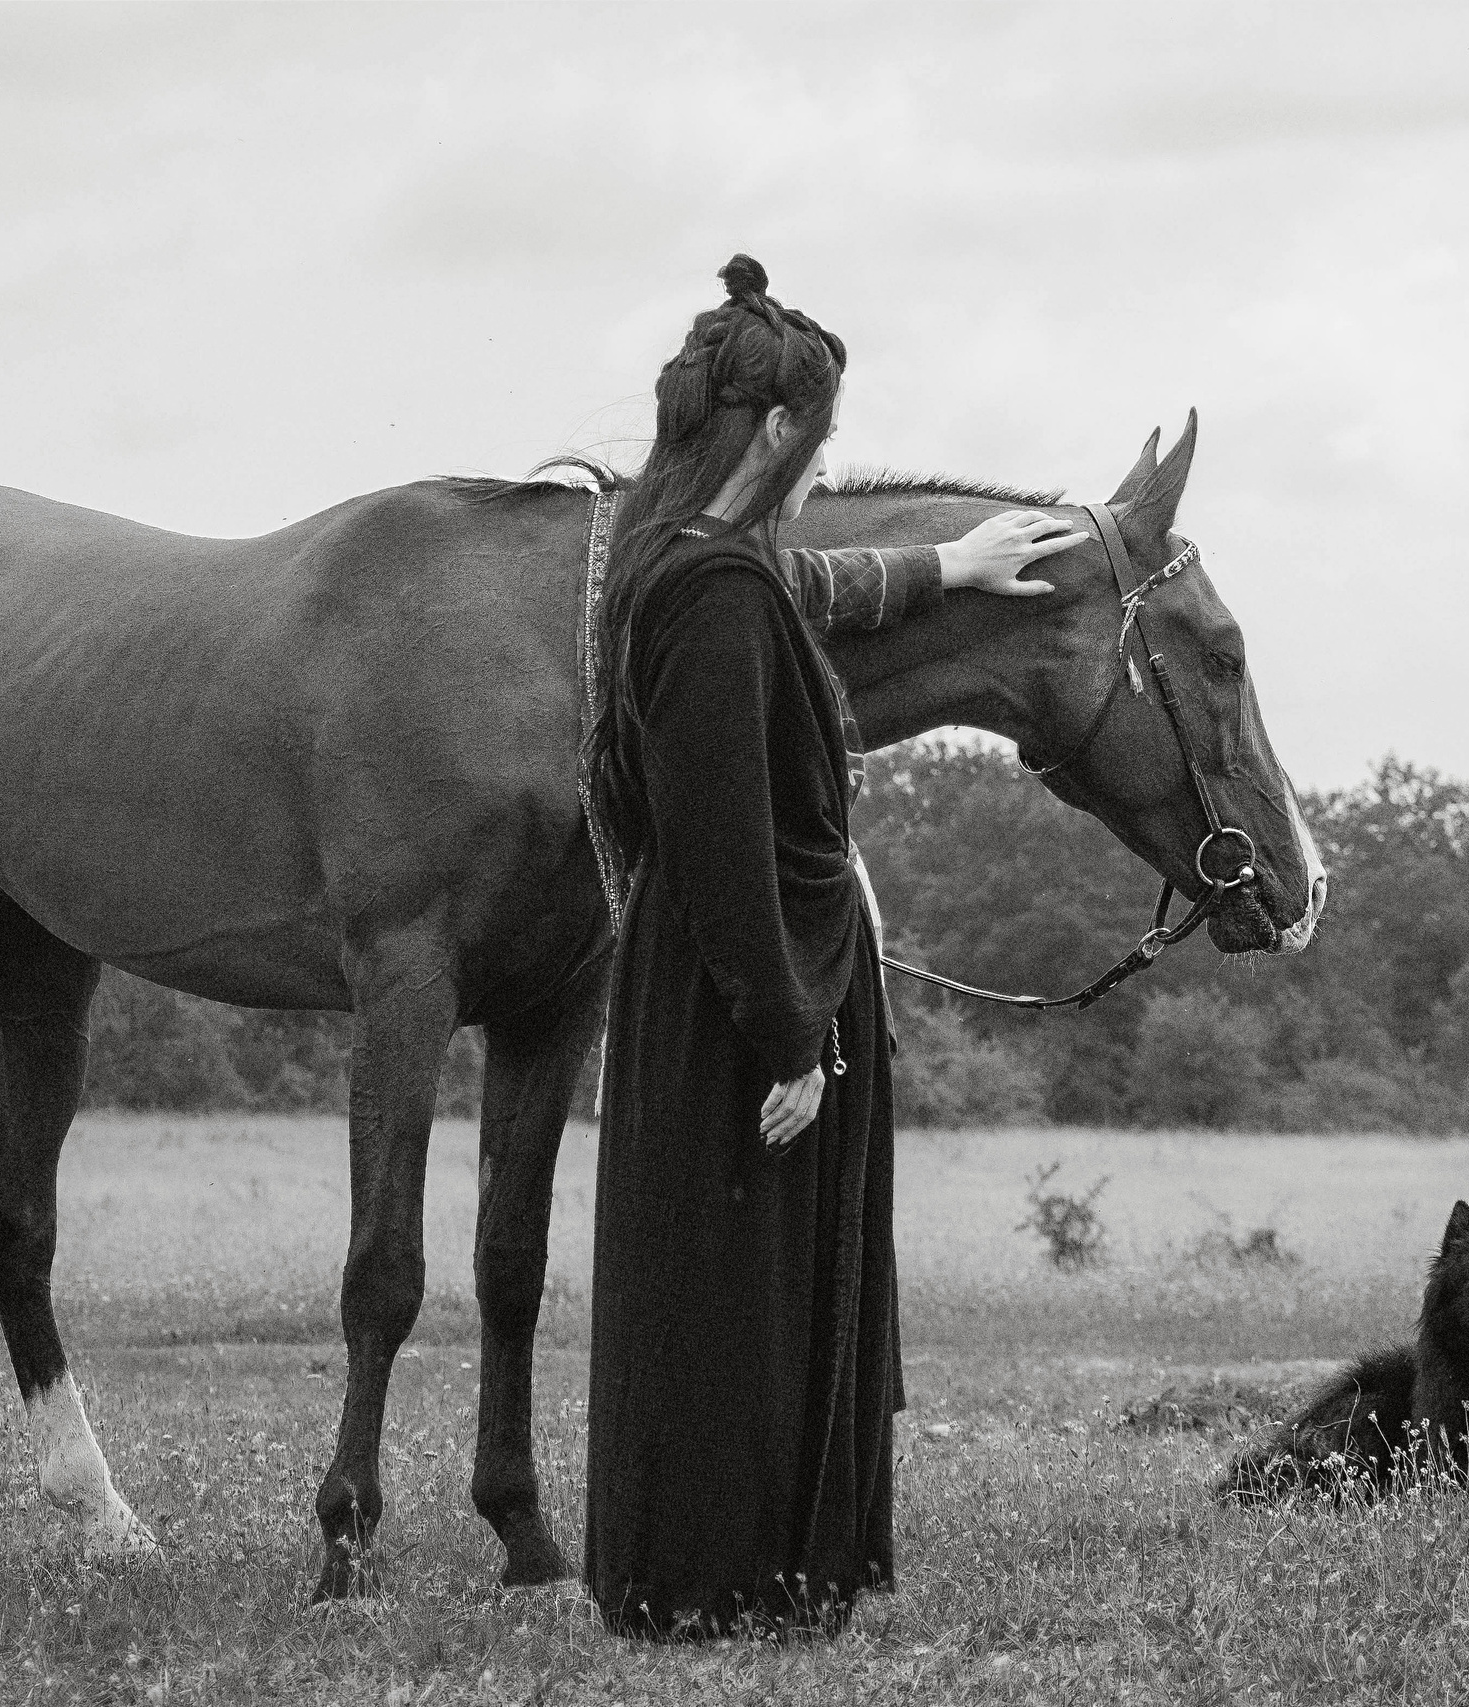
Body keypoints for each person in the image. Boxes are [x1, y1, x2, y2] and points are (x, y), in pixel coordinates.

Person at [578, 254, 1079, 1638]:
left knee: (740, 1282)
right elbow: (728, 835)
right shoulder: (718, 598)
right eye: (827, 436)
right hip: (748, 987)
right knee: (742, 1291)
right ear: (785, 431)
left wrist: (948, 567)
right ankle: (726, 1578)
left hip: (724, 976)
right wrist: (789, 1031)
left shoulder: (687, 568)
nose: (827, 462)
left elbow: (802, 593)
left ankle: (731, 1572)